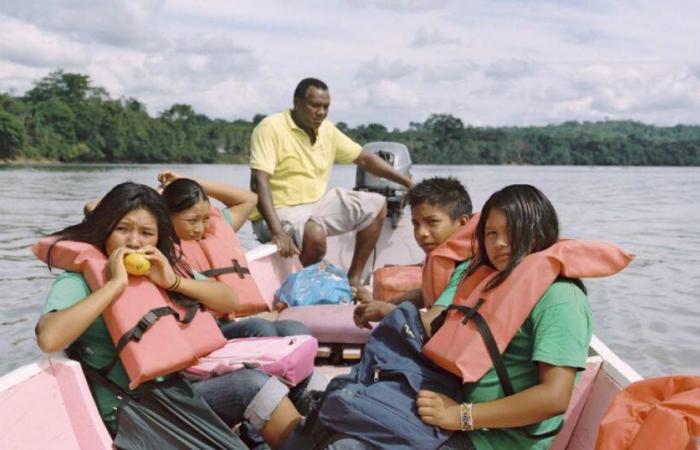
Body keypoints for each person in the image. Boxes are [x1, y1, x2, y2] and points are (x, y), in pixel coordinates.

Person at [35, 182, 302, 449]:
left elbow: (229, 298)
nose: (134, 241)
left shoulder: (158, 269)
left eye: (146, 233)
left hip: (177, 389)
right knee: (251, 386)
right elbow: (49, 338)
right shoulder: (79, 280)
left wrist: (174, 282)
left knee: (262, 386)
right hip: (135, 410)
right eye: (122, 229)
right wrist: (115, 285)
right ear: (105, 228)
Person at [417, 184, 593, 449]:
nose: (499, 242)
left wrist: (459, 416)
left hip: (493, 439)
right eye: (491, 233)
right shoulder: (492, 280)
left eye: (512, 231)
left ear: (540, 231)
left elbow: (554, 397)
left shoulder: (561, 298)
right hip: (452, 407)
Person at [249, 77, 413, 287]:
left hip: (314, 206)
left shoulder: (327, 130)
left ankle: (354, 281)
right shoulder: (271, 128)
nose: (321, 112)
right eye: (315, 105)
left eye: (326, 107)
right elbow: (258, 181)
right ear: (297, 103)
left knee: (376, 205)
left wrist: (407, 183)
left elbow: (364, 158)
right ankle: (296, 287)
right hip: (276, 212)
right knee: (315, 234)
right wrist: (277, 232)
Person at [158, 170, 312, 339]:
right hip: (204, 327)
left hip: (232, 320)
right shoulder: (163, 249)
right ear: (167, 216)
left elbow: (249, 199)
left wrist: (188, 181)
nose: (200, 228)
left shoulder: (214, 231)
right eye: (192, 221)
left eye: (206, 218)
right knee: (260, 328)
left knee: (296, 329)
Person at [353, 176, 474, 329]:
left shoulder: (468, 267)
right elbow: (429, 293)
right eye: (416, 224)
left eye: (432, 222)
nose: (421, 233)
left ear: (462, 223)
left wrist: (386, 311)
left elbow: (432, 322)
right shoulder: (443, 254)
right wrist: (383, 305)